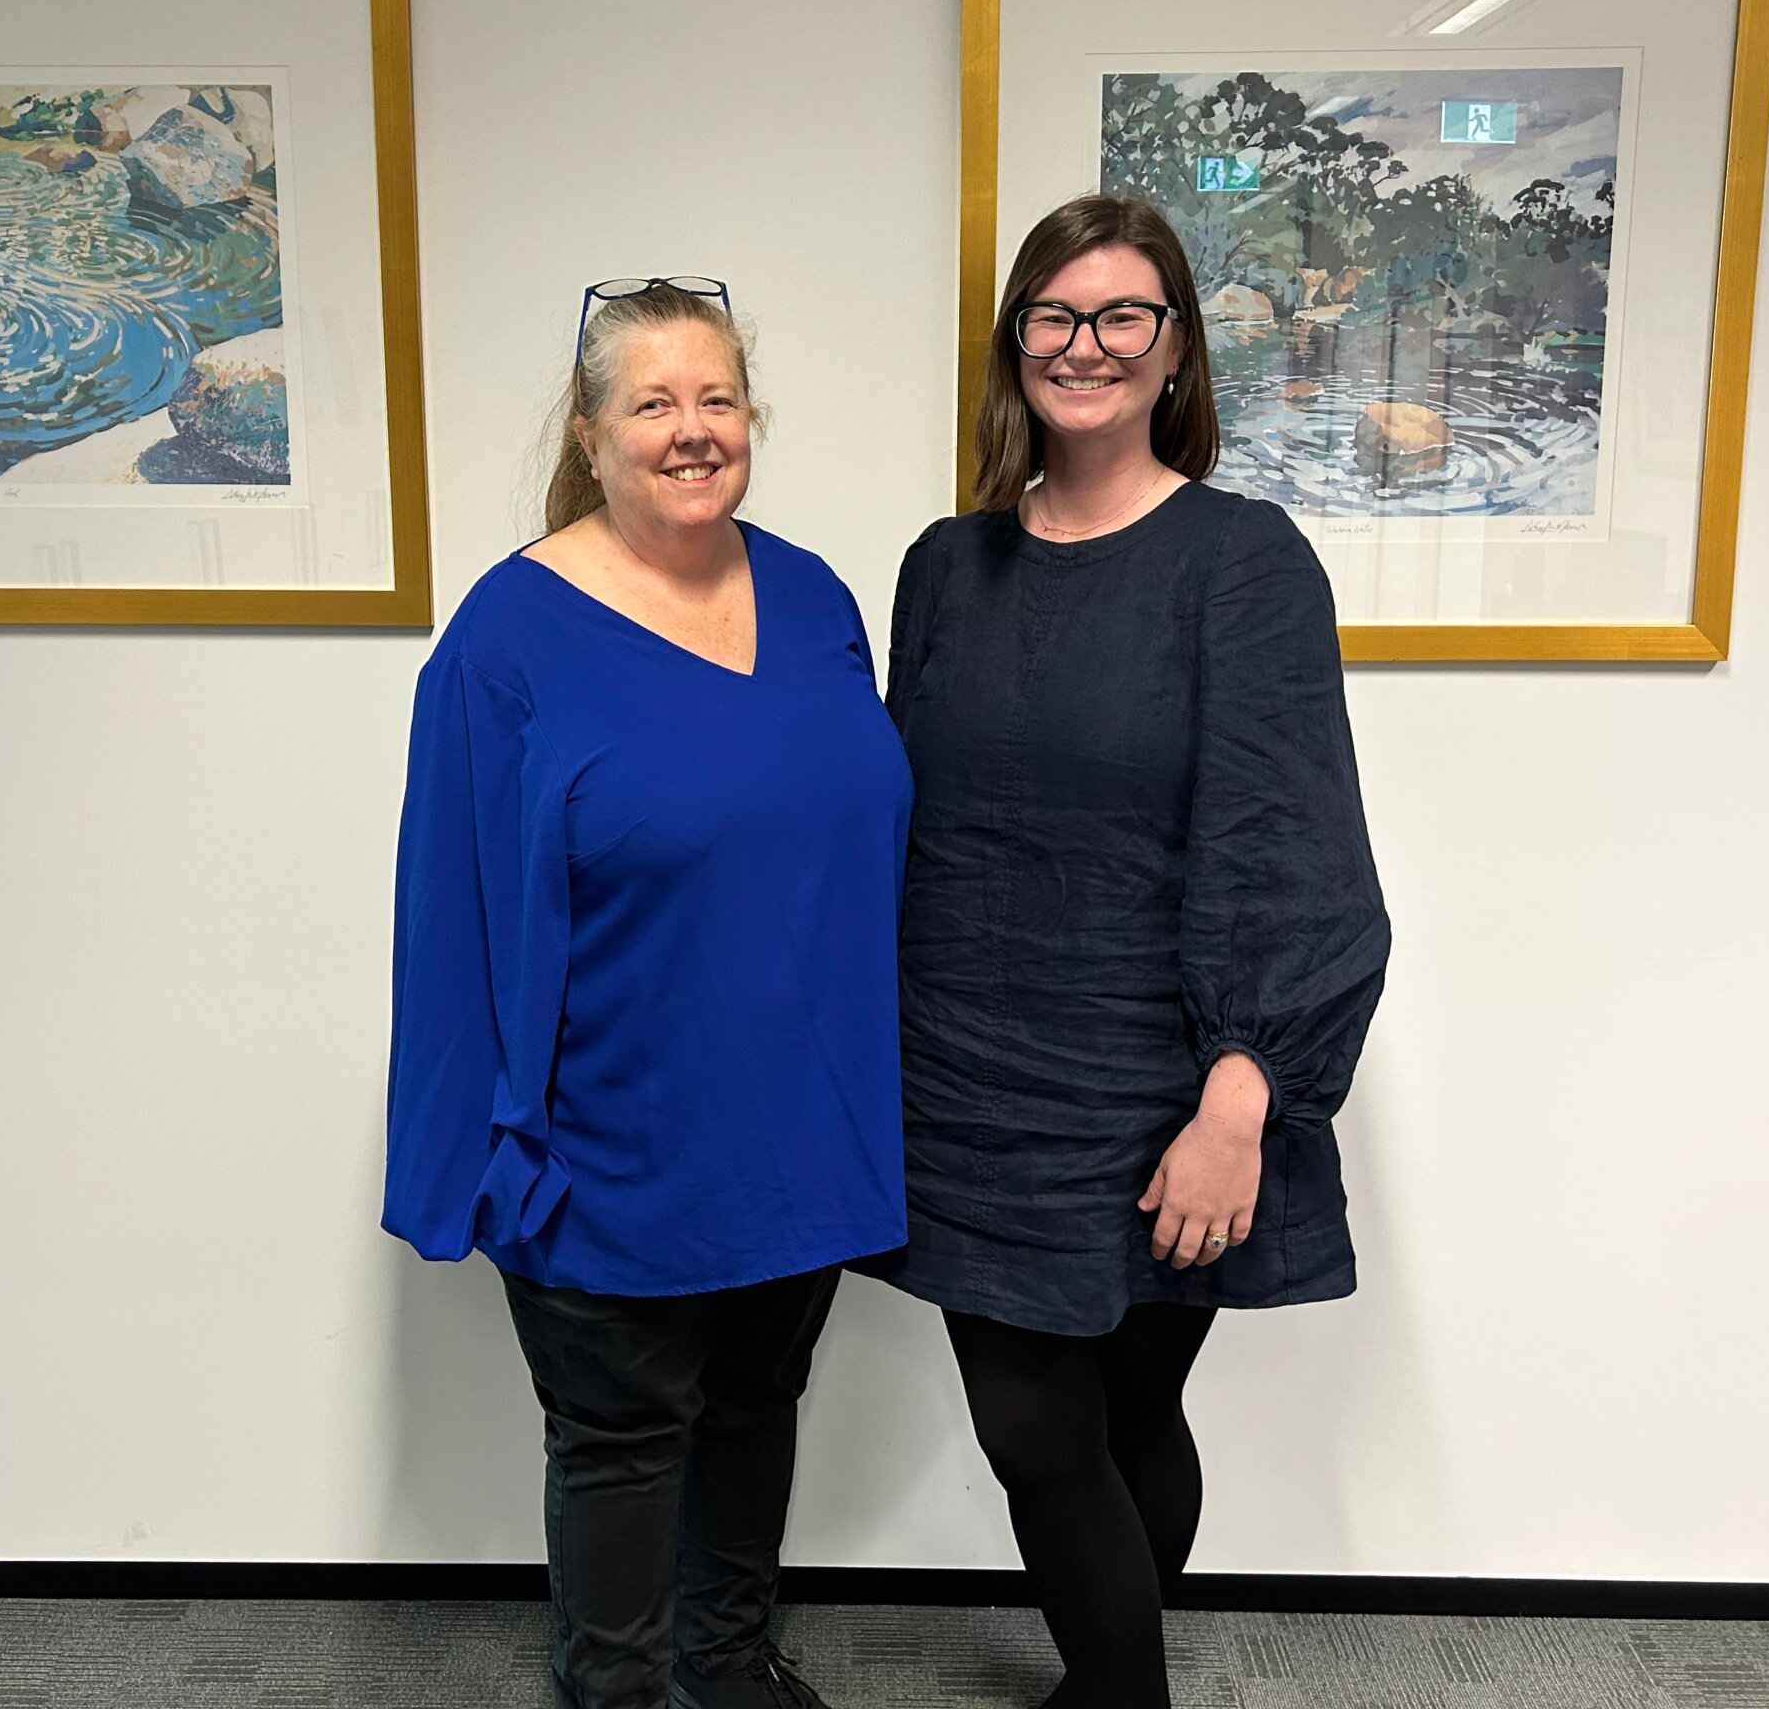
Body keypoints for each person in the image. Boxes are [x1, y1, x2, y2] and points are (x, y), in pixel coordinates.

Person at [860, 198, 1391, 1708]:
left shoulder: (1245, 560)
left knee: (1124, 1410)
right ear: (1015, 343)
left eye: (1123, 317)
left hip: (1165, 1079)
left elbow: (1290, 836)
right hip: (965, 1070)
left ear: (1173, 355)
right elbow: (921, 823)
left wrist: (1245, 1101)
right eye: (1055, 315)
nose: (1085, 346)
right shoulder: (944, 568)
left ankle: (1111, 1697)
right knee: (1039, 1427)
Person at [383, 278, 911, 1709]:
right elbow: (450, 917)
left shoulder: (812, 599)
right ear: (593, 430)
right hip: (601, 1144)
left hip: (796, 1134)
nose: (694, 431)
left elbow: (845, 845)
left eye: (719, 398)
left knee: (754, 1416)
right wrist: (476, 1160)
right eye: (655, 402)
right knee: (619, 1449)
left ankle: (730, 1671)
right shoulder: (509, 635)